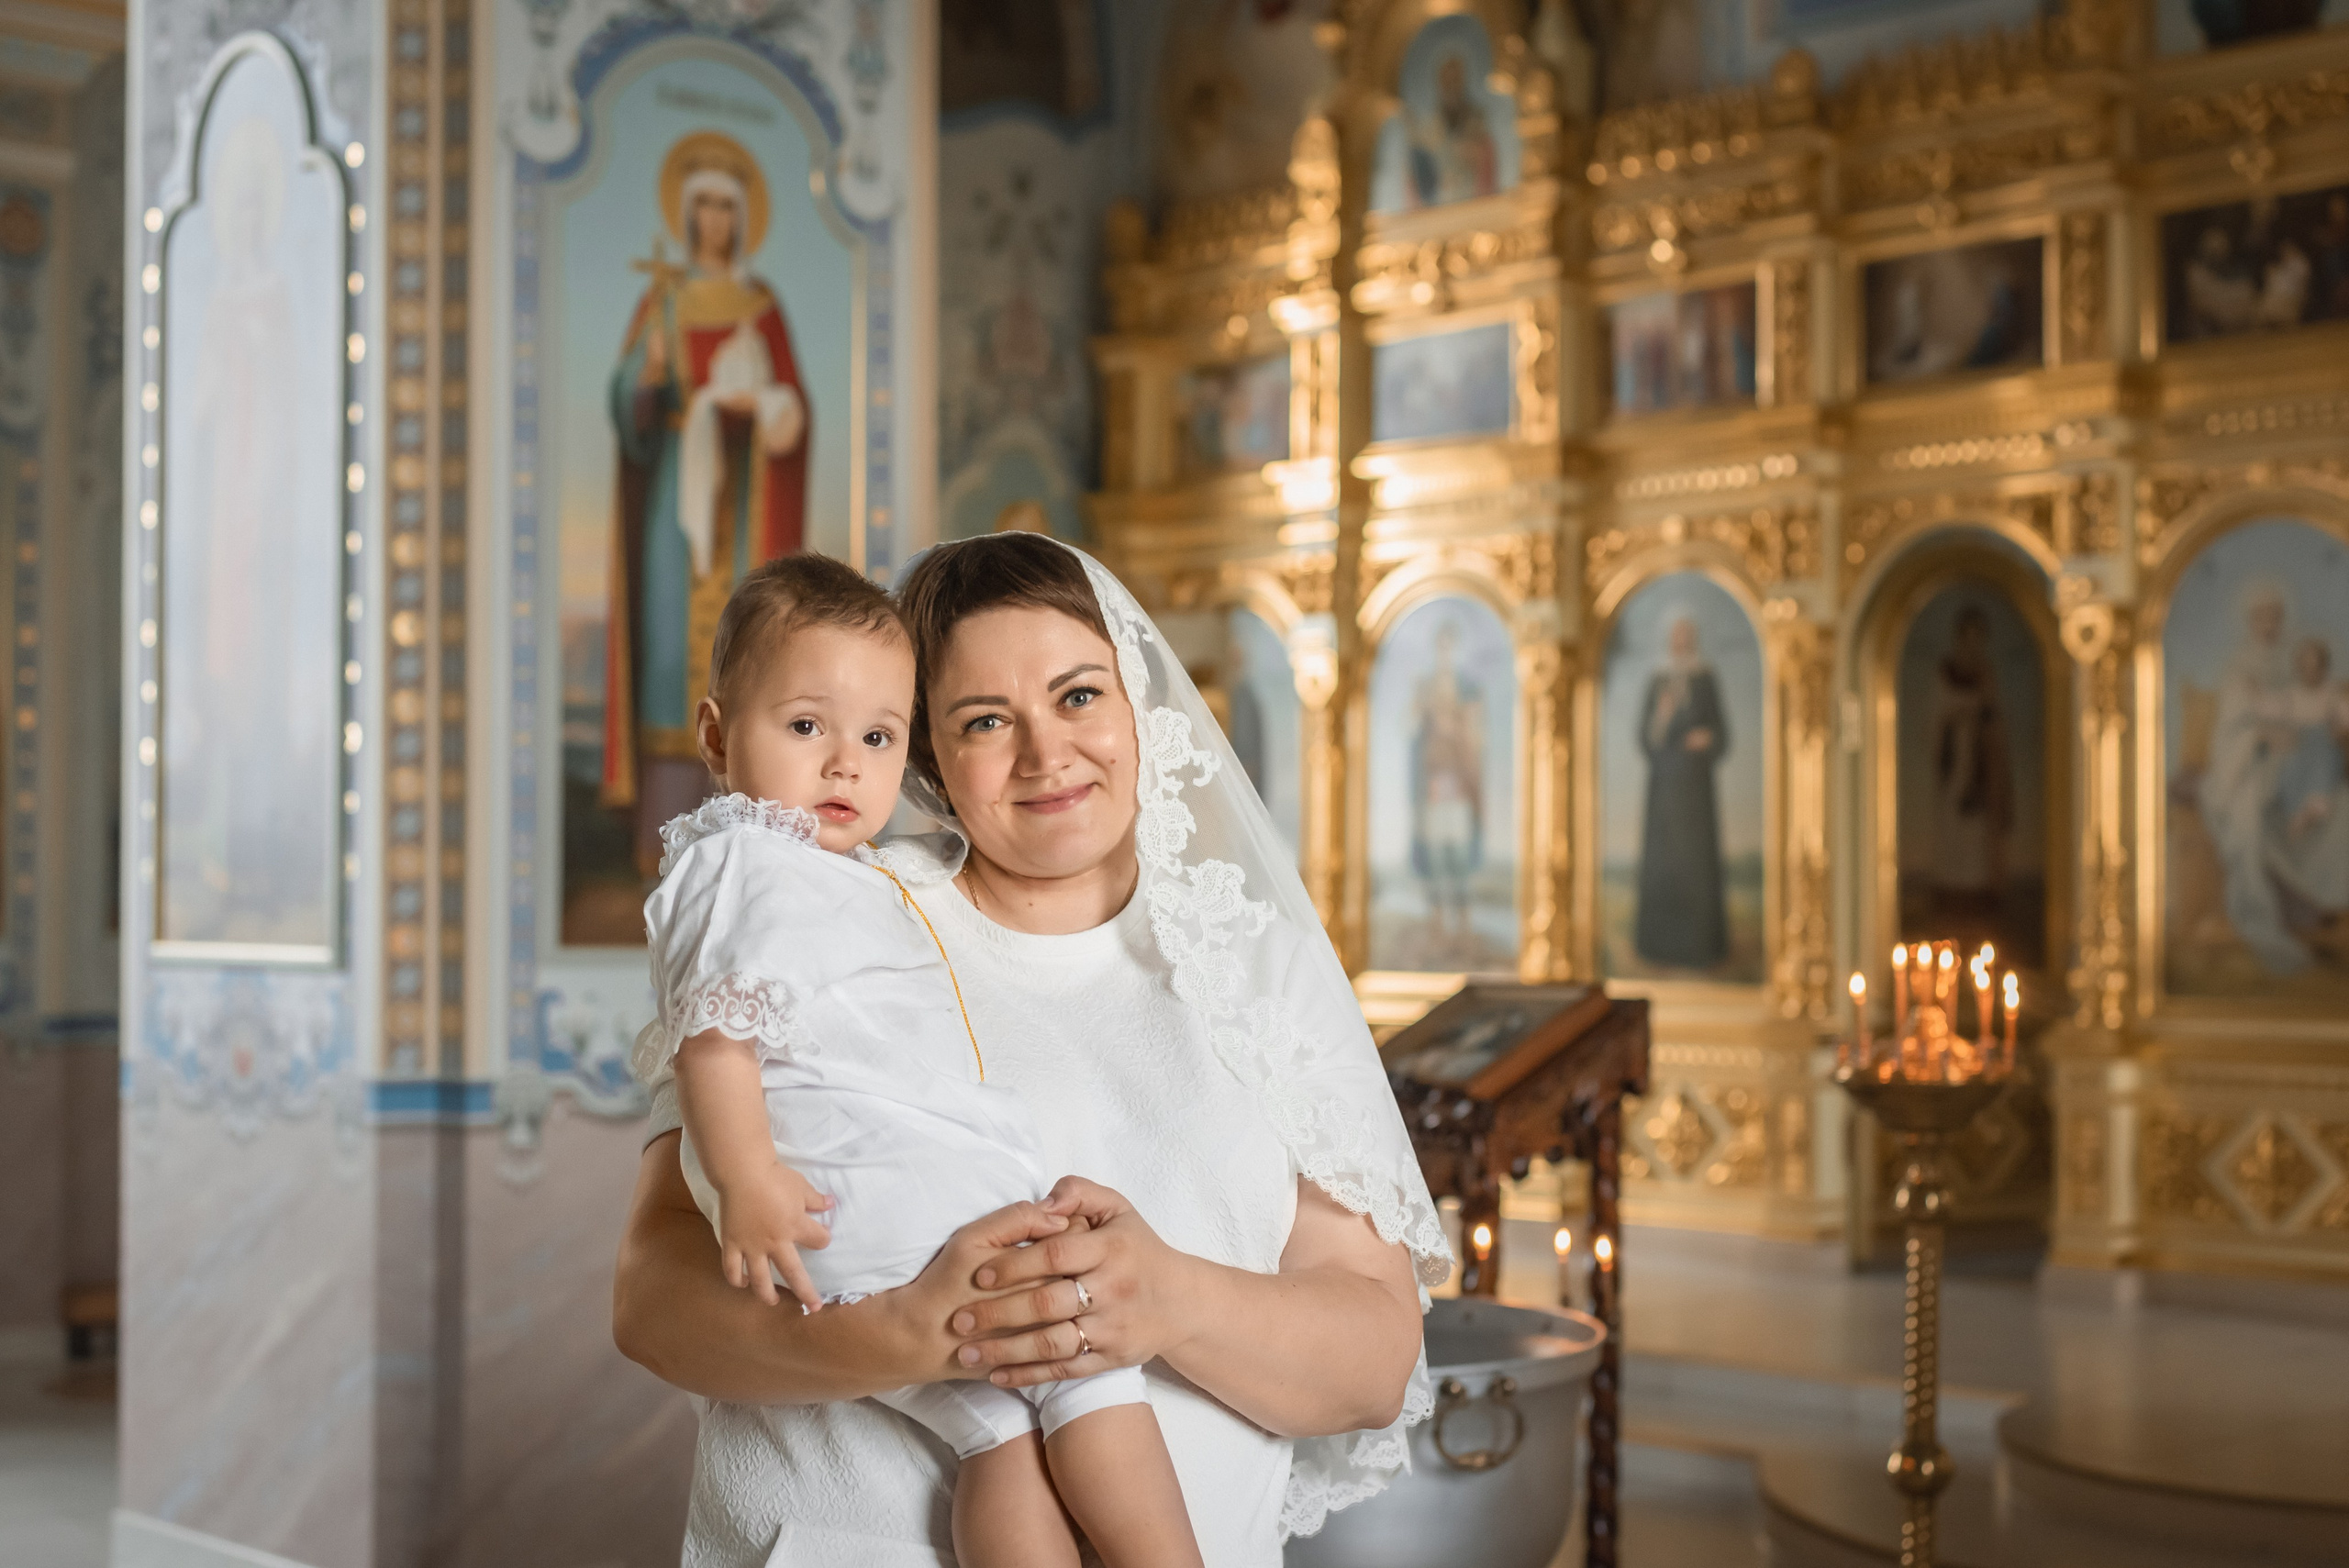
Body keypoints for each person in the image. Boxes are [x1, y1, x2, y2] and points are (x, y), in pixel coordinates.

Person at [612, 532, 1445, 1566]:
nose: (1047, 754)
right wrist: (904, 1337)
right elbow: (653, 1298)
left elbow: (1373, 1355)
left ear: (1142, 700)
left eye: (1081, 695)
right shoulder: (820, 910)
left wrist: (1170, 1296)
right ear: (928, 753)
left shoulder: (1256, 970)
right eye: (985, 719)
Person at [640, 555, 1201, 1567]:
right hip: (856, 1195)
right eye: (807, 725)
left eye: (878, 735)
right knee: (1079, 1378)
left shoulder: (849, 877)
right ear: (719, 735)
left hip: (907, 1190)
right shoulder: (737, 859)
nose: (845, 763)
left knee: (1004, 1421)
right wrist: (746, 1180)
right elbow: (712, 1033)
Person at [604, 132, 811, 875]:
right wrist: (650, 381)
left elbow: (795, 415)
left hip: (742, 503)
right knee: (670, 657)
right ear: (689, 215)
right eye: (706, 206)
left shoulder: (761, 308)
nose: (717, 220)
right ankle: (661, 845)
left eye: (729, 206)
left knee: (745, 658)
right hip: (674, 513)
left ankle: (739, 844)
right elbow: (626, 406)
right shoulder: (661, 302)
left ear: (741, 216)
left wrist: (766, 402)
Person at [2200, 578, 2308, 971]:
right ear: (2250, 621)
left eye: (2275, 617)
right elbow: (2230, 731)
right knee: (2248, 825)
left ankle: (2308, 912)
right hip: (2243, 769)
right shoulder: (2238, 668)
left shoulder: (2291, 663)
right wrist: (2262, 735)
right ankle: (2260, 923)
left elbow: (2304, 711)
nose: (2270, 625)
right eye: (2262, 617)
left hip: (2287, 768)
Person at [1632, 613, 1731, 970]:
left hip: (1697, 792)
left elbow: (1723, 735)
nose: (1681, 644)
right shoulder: (1658, 682)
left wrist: (1707, 739)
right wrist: (1663, 715)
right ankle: (1658, 948)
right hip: (1664, 791)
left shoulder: (1705, 679)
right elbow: (1646, 739)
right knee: (1664, 864)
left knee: (1696, 866)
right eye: (1676, 637)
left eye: (1686, 637)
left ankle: (1701, 949)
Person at [1922, 606, 2014, 939]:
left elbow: (1994, 717)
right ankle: (1950, 896)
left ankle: (1976, 896)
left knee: (1976, 834)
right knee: (1953, 830)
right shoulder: (1944, 674)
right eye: (1969, 638)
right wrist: (1960, 714)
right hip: (1954, 761)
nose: (1973, 646)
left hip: (1979, 762)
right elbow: (1935, 718)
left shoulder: (1986, 674)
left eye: (1980, 639)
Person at [1410, 621, 1486, 956]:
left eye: (1449, 647)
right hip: (1433, 785)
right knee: (1436, 856)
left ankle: (1464, 926)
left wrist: (1457, 727)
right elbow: (1412, 729)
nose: (1444, 653)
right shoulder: (1425, 688)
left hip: (1458, 786)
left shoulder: (1467, 689)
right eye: (1440, 646)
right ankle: (1438, 925)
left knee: (1458, 857)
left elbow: (1474, 737)